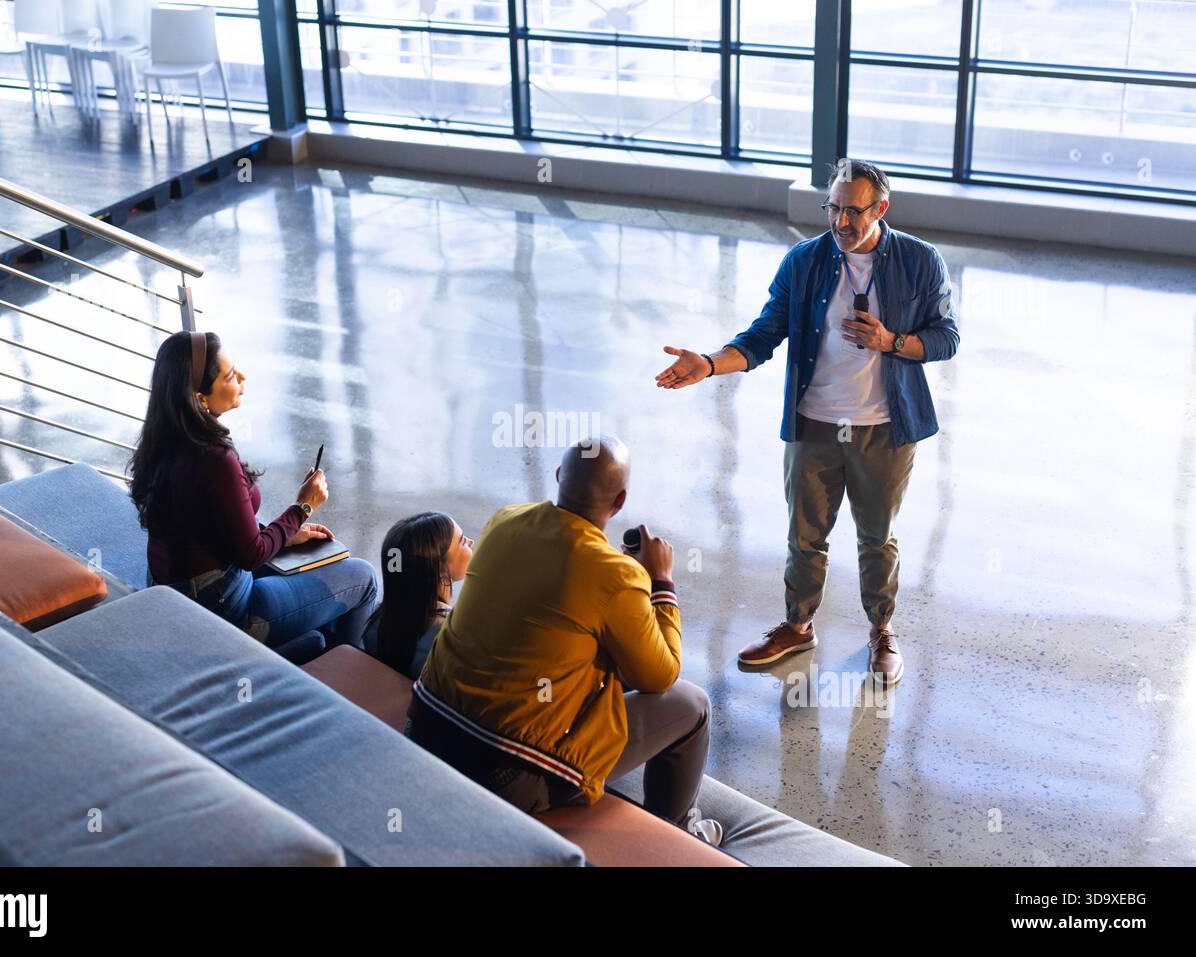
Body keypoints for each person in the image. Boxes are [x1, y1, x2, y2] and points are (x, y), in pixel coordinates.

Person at [655, 159, 960, 687]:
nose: (841, 222)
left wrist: (890, 342)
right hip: (814, 423)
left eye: (854, 211)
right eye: (834, 209)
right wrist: (708, 363)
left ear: (881, 209)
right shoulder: (804, 261)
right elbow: (764, 335)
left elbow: (947, 337)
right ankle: (798, 626)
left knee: (877, 538)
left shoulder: (919, 260)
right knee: (804, 537)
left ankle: (881, 632)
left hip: (884, 427)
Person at [407, 437, 721, 844]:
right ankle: (676, 836)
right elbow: (659, 677)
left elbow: (558, 582)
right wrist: (661, 584)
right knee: (692, 705)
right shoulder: (617, 576)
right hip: (509, 774)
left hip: (427, 726)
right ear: (620, 500)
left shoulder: (504, 520)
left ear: (559, 476)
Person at [129, 330, 378, 656]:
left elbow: (205, 524)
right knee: (363, 577)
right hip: (222, 608)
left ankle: (316, 648)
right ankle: (343, 670)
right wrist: (303, 507)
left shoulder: (164, 440)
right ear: (200, 397)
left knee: (317, 563)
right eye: (231, 375)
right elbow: (251, 554)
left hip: (176, 591)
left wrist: (285, 533)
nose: (242, 377)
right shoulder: (214, 459)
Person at [362, 512, 474, 680]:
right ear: (441, 569)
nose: (471, 542)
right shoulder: (453, 636)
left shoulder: (375, 624)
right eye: (463, 541)